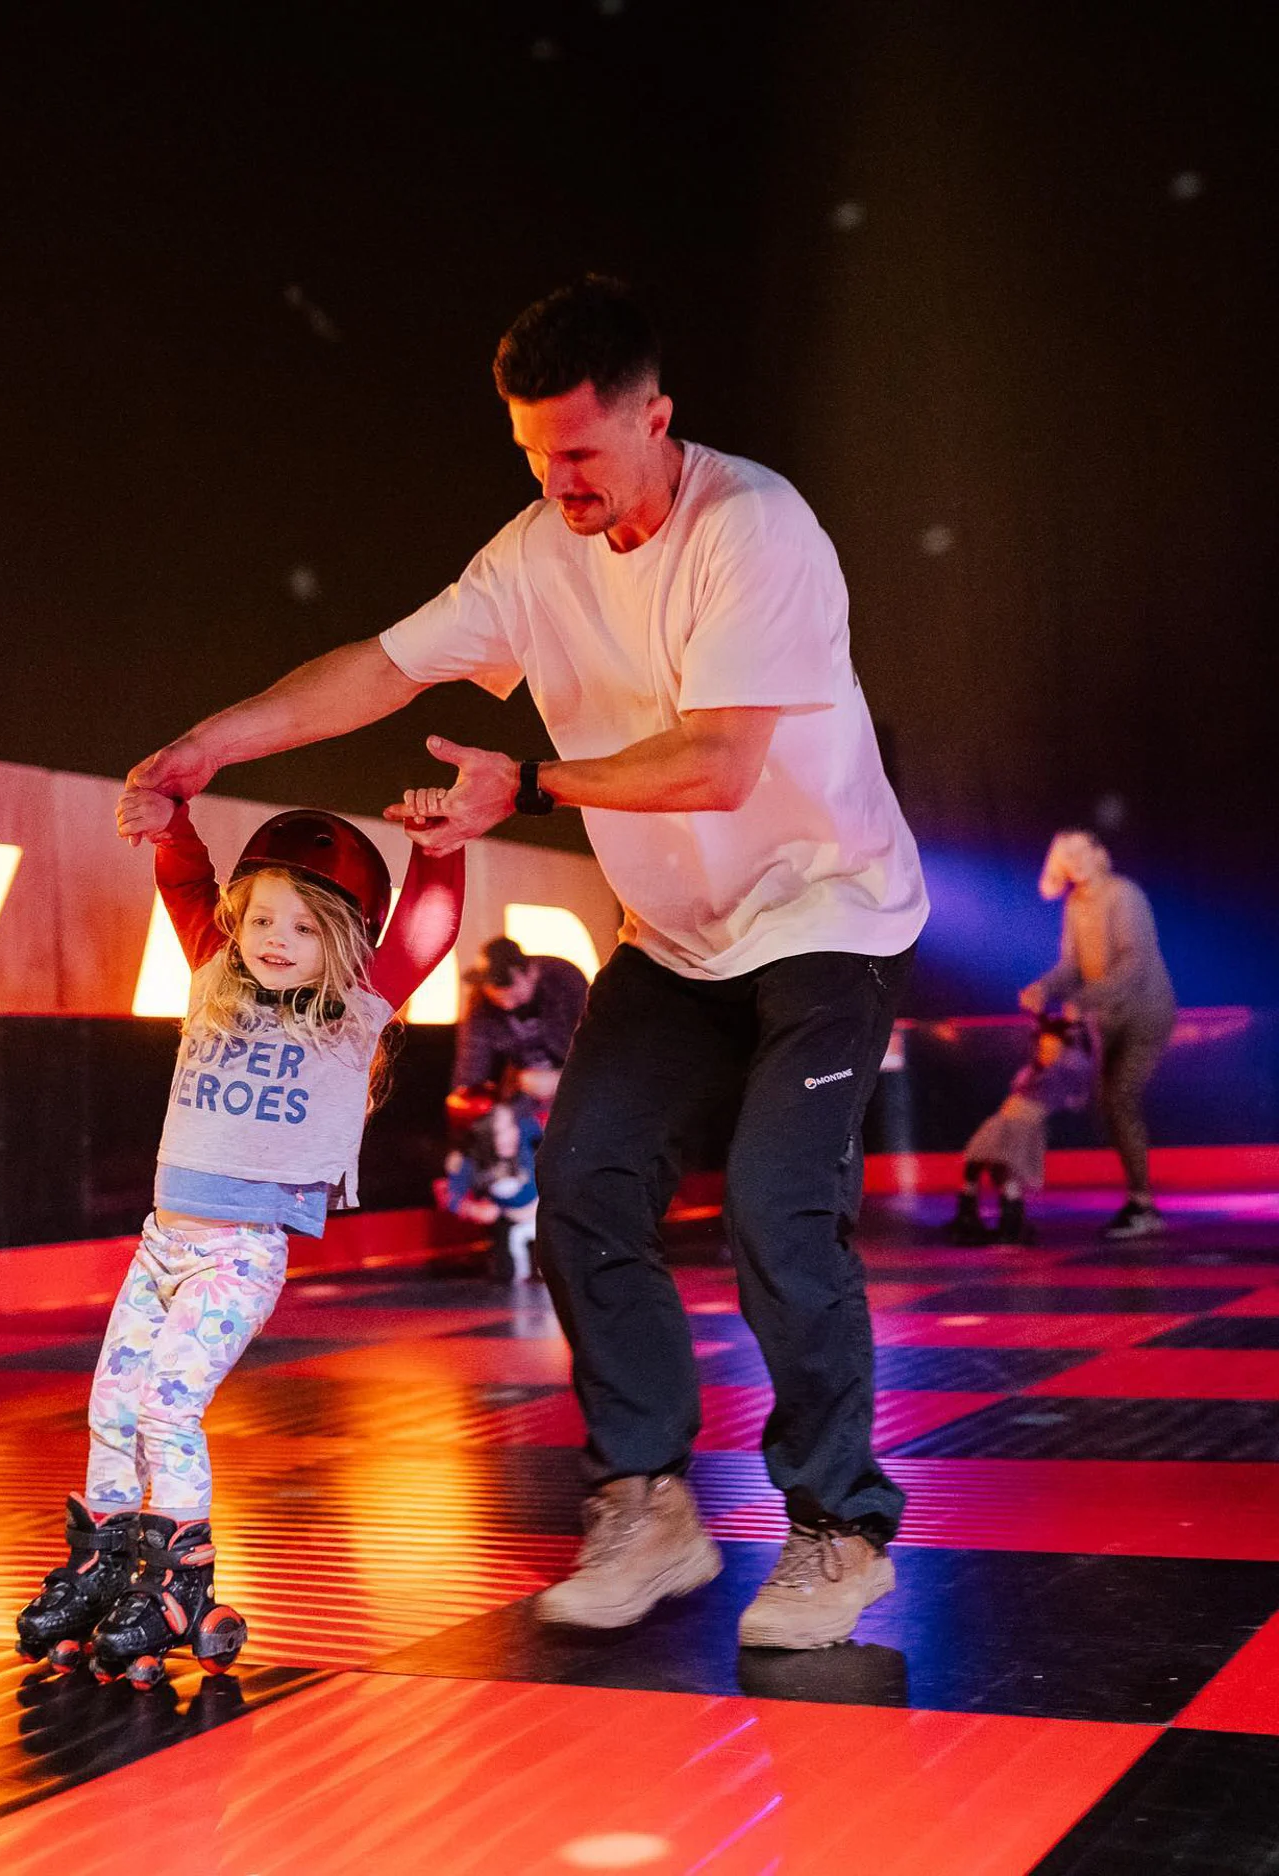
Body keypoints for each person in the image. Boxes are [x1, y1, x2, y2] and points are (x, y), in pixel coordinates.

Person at [125, 276, 929, 1651]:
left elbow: (718, 759)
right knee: (579, 1192)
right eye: (531, 456)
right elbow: (381, 668)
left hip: (828, 920)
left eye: (580, 455)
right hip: (674, 944)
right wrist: (210, 745)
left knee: (777, 1205)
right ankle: (646, 1503)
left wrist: (533, 787)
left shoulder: (755, 529)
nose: (557, 483)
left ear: (656, 421)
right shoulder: (528, 557)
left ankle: (837, 1530)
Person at [15, 787, 461, 1685]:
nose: (273, 939)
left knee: (168, 1408)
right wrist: (170, 827)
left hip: (238, 1252)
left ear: (339, 941)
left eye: (301, 928)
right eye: (261, 919)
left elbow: (430, 927)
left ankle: (182, 1578)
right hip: (160, 1246)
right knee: (109, 1408)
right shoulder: (215, 975)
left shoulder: (358, 1006)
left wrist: (440, 846)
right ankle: (102, 1564)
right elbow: (187, 885)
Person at [1020, 829, 1176, 1239]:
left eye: (1082, 852)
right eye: (1068, 856)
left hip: (1145, 1013)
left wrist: (1085, 999)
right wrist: (1045, 988)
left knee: (1119, 1097)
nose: (1077, 861)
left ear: (1097, 853)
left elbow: (1134, 962)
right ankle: (1139, 1199)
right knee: (1108, 1105)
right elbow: (1071, 963)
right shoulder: (1075, 903)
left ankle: (1143, 1204)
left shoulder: (1123, 894)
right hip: (1108, 1019)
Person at [946, 1016, 1095, 1244]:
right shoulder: (1035, 1069)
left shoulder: (1064, 1072)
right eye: (1044, 1048)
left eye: (1053, 1048)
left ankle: (1011, 1223)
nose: (1046, 1052)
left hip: (1022, 1125)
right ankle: (968, 1215)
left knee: (1007, 1171)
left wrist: (1076, 1033)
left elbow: (1082, 1070)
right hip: (1004, 1120)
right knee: (976, 1162)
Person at [454, 936, 589, 1111]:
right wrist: (465, 1104)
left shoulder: (565, 981)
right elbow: (471, 1062)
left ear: (530, 972)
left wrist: (561, 1080)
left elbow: (595, 1048)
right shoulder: (481, 1002)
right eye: (493, 988)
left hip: (576, 1090)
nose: (506, 1002)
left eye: (510, 987)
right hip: (521, 1096)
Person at [438, 1097, 543, 1283]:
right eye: (498, 1131)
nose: (509, 1136)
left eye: (511, 1126)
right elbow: (449, 1197)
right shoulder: (466, 1160)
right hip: (510, 1220)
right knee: (508, 1273)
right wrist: (473, 1208)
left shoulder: (527, 1130)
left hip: (545, 1210)